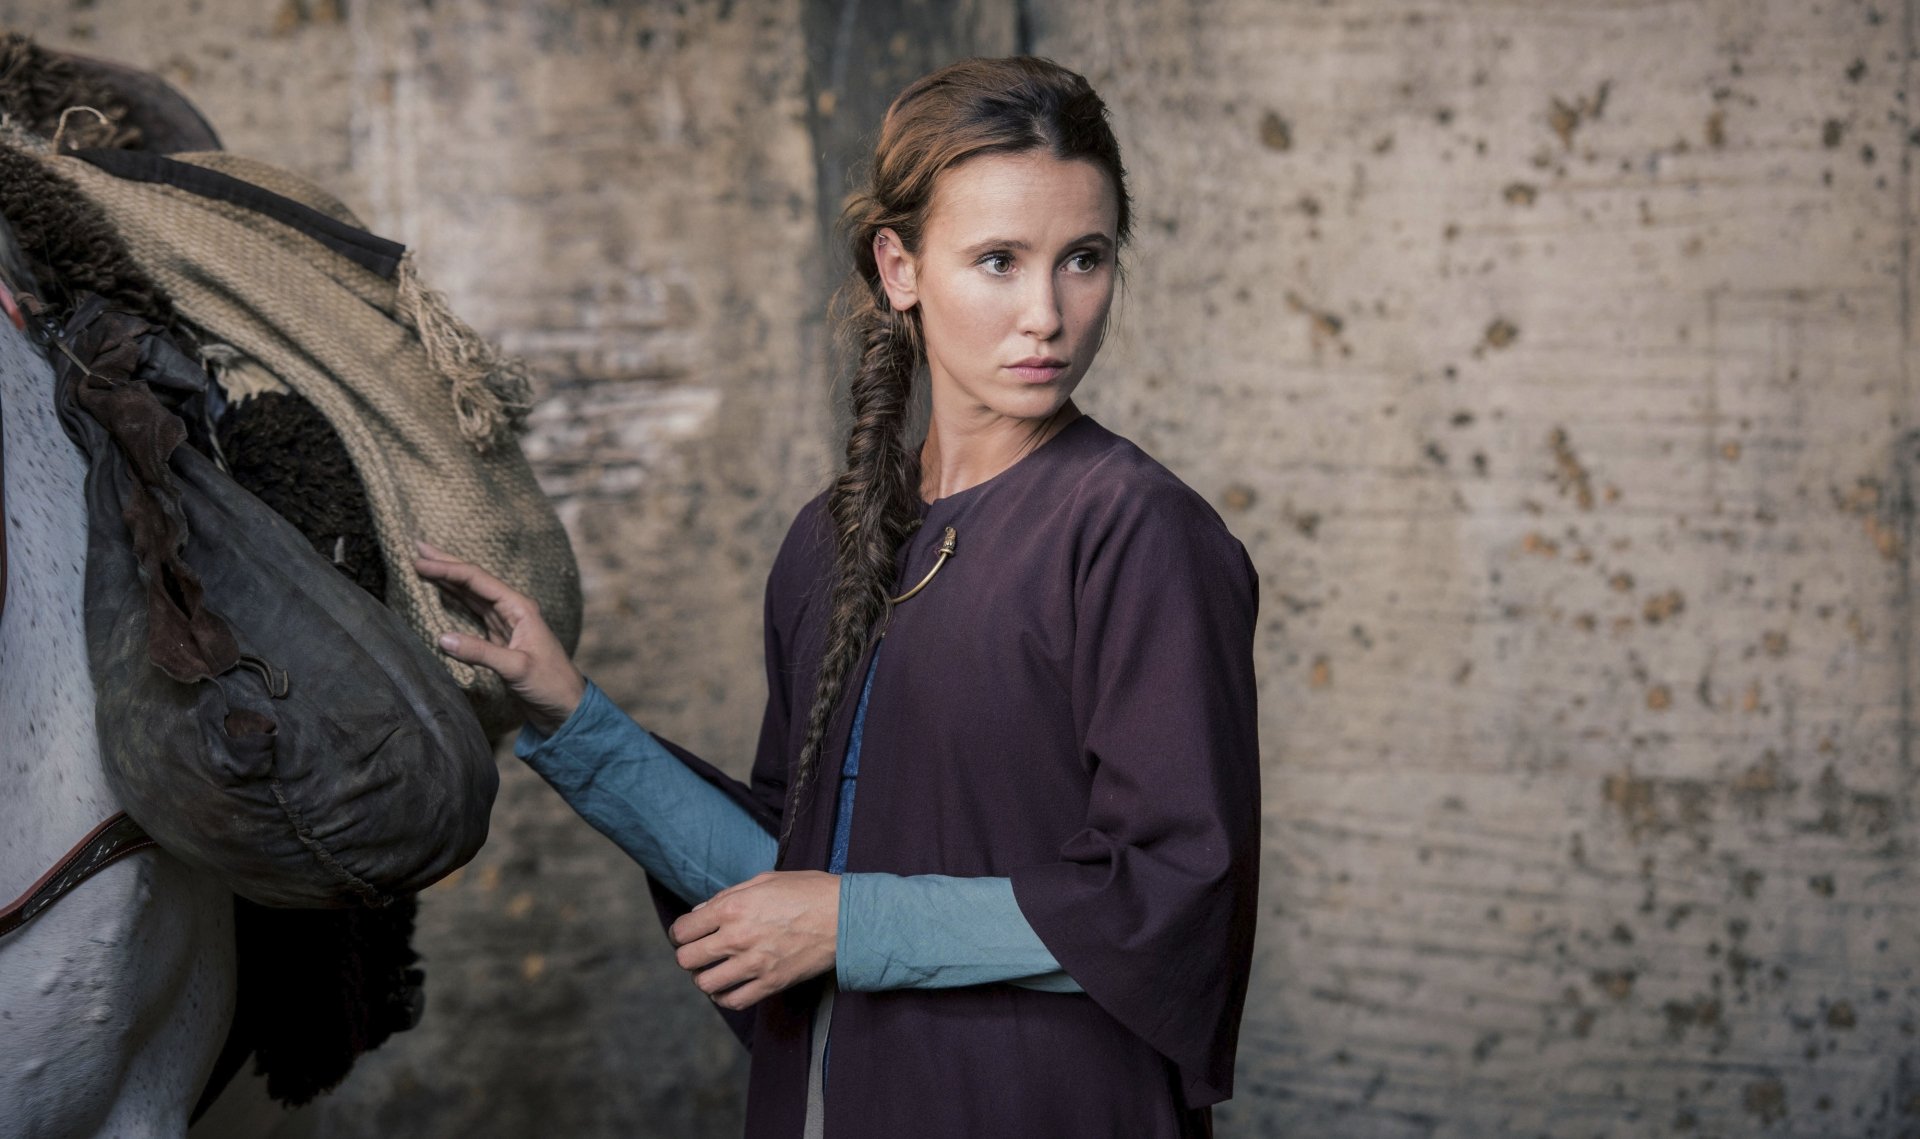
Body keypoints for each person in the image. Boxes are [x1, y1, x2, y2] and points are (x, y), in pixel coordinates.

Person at [415, 55, 1260, 1139]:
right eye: (998, 259)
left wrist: (853, 921)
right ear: (899, 266)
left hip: (1047, 1105)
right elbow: (782, 889)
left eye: (1083, 259)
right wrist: (572, 717)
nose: (1046, 313)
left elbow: (1177, 890)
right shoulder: (830, 538)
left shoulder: (1139, 531)